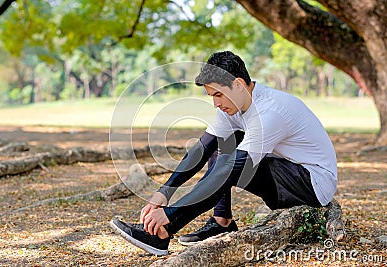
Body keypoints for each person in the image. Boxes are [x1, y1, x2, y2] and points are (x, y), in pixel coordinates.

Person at [110, 51, 338, 256]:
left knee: (230, 163)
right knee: (222, 144)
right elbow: (201, 149)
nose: (216, 103)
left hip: (312, 184)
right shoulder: (236, 106)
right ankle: (222, 221)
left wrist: (169, 214)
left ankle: (162, 232)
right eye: (212, 96)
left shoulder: (270, 112)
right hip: (288, 172)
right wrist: (163, 193)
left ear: (238, 84)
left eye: (218, 94)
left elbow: (231, 169)